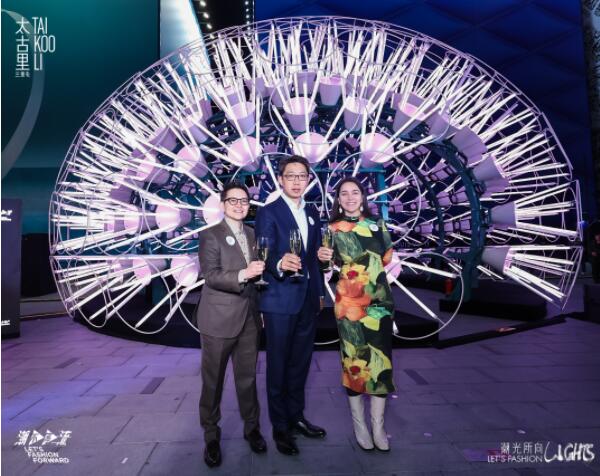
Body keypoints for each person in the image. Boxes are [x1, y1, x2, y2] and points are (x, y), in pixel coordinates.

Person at [254, 155, 331, 455]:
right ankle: (280, 426)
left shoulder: (312, 213)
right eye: (291, 176)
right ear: (281, 180)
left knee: (300, 363)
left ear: (308, 180)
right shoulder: (269, 212)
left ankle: (297, 417)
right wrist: (278, 262)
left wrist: (322, 276)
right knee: (278, 365)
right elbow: (263, 251)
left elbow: (313, 258)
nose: (297, 181)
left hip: (307, 300)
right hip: (279, 300)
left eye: (302, 176)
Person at [318, 176, 396, 452]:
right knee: (354, 362)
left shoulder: (377, 225)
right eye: (344, 194)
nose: (350, 197)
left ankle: (378, 426)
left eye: (355, 192)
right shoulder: (331, 229)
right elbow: (326, 267)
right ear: (338, 200)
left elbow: (386, 258)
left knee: (381, 364)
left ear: (363, 197)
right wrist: (322, 260)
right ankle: (360, 425)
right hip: (348, 305)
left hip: (380, 304)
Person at [196, 181, 267, 468]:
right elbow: (211, 275)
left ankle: (252, 429)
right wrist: (242, 274)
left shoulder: (253, 234)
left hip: (249, 317)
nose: (239, 205)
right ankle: (211, 436)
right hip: (218, 319)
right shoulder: (210, 235)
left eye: (244, 201)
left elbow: (259, 276)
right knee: (213, 382)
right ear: (223, 204)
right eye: (233, 200)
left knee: (248, 379)